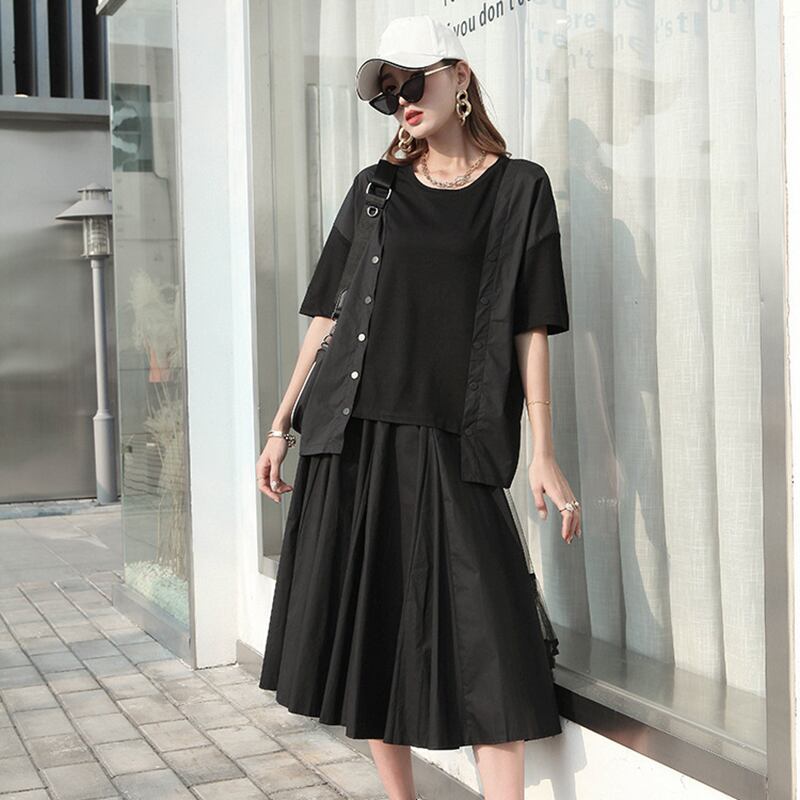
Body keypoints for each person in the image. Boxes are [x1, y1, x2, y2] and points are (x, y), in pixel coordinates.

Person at [255, 14, 581, 800]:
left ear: (459, 76)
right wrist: (280, 425)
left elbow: (530, 324)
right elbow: (329, 318)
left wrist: (543, 449)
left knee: (490, 640)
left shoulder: (519, 188)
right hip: (351, 436)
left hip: (452, 437)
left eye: (412, 80)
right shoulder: (376, 190)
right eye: (386, 90)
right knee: (373, 632)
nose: (399, 98)